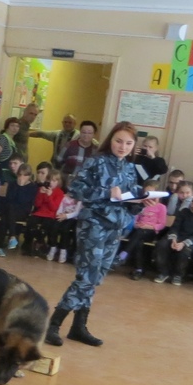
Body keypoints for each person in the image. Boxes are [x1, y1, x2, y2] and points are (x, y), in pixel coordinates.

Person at [44, 122, 145, 346]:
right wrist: (107, 192)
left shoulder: (129, 168)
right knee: (87, 277)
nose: (123, 146)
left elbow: (128, 200)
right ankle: (53, 324)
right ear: (111, 140)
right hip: (94, 225)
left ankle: (78, 327)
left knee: (96, 277)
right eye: (119, 141)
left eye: (129, 143)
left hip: (115, 228)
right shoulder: (97, 161)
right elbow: (75, 188)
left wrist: (141, 201)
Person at [152, 191, 193, 285]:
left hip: (191, 240)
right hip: (177, 236)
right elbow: (175, 227)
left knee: (185, 251)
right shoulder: (183, 211)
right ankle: (163, 272)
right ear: (192, 204)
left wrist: (183, 243)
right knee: (162, 245)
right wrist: (174, 239)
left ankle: (178, 275)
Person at [123, 180, 168, 279]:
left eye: (151, 193)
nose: (148, 196)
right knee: (138, 241)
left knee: (140, 234)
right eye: (146, 193)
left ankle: (125, 253)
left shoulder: (161, 207)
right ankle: (139, 270)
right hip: (139, 231)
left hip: (151, 232)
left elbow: (161, 225)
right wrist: (137, 225)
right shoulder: (141, 205)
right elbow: (135, 219)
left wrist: (148, 226)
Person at [0, 164, 37, 257]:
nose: (22, 177)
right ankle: (12, 237)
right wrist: (18, 186)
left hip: (23, 211)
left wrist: (21, 187)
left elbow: (24, 201)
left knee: (7, 214)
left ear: (29, 176)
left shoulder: (33, 187)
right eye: (20, 174)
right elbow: (9, 198)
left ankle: (0, 245)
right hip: (11, 209)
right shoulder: (12, 184)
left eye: (25, 175)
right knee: (6, 215)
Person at [24, 168, 64, 258]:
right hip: (39, 213)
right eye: (49, 180)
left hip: (50, 215)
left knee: (45, 227)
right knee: (31, 224)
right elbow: (37, 204)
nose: (51, 183)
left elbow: (54, 208)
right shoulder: (42, 189)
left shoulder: (59, 192)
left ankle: (39, 245)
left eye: (54, 181)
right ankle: (39, 243)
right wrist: (41, 194)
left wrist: (49, 196)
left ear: (58, 182)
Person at [57, 119, 98, 186]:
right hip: (67, 184)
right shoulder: (69, 145)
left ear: (94, 134)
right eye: (84, 132)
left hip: (86, 187)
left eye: (89, 133)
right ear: (80, 132)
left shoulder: (96, 150)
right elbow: (58, 162)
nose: (86, 135)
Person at [47, 193, 81, 264]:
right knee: (54, 227)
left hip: (72, 218)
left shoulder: (79, 200)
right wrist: (59, 215)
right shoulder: (64, 197)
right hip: (62, 216)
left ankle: (63, 249)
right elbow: (60, 208)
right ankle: (53, 246)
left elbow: (76, 212)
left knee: (65, 229)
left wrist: (66, 216)